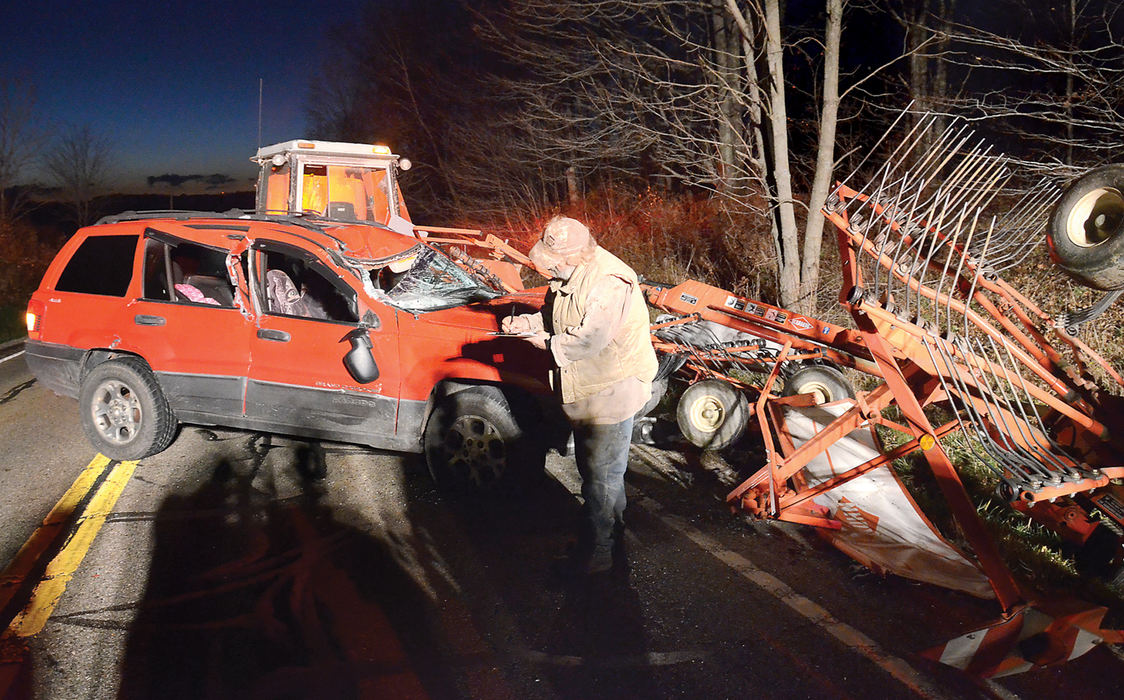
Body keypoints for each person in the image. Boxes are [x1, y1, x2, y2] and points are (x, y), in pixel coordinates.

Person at [503, 216, 658, 576]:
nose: (548, 273)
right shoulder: (567, 275)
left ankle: (599, 554)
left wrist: (544, 344)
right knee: (601, 473)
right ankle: (610, 539)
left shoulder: (608, 282)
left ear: (573, 257)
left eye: (553, 265)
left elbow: (588, 339)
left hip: (612, 390)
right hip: (589, 389)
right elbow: (552, 315)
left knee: (600, 478)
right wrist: (526, 325)